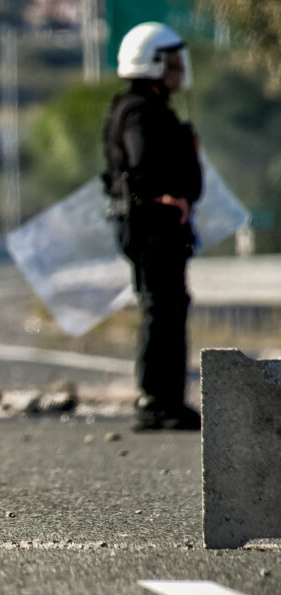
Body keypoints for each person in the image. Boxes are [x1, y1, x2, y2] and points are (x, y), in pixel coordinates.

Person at [102, 22, 203, 431]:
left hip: (151, 226)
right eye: (173, 62)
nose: (179, 70)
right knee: (162, 307)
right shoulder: (142, 110)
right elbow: (143, 163)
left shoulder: (134, 105)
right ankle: (157, 401)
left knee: (164, 306)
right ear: (154, 63)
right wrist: (167, 199)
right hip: (152, 228)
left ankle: (163, 399)